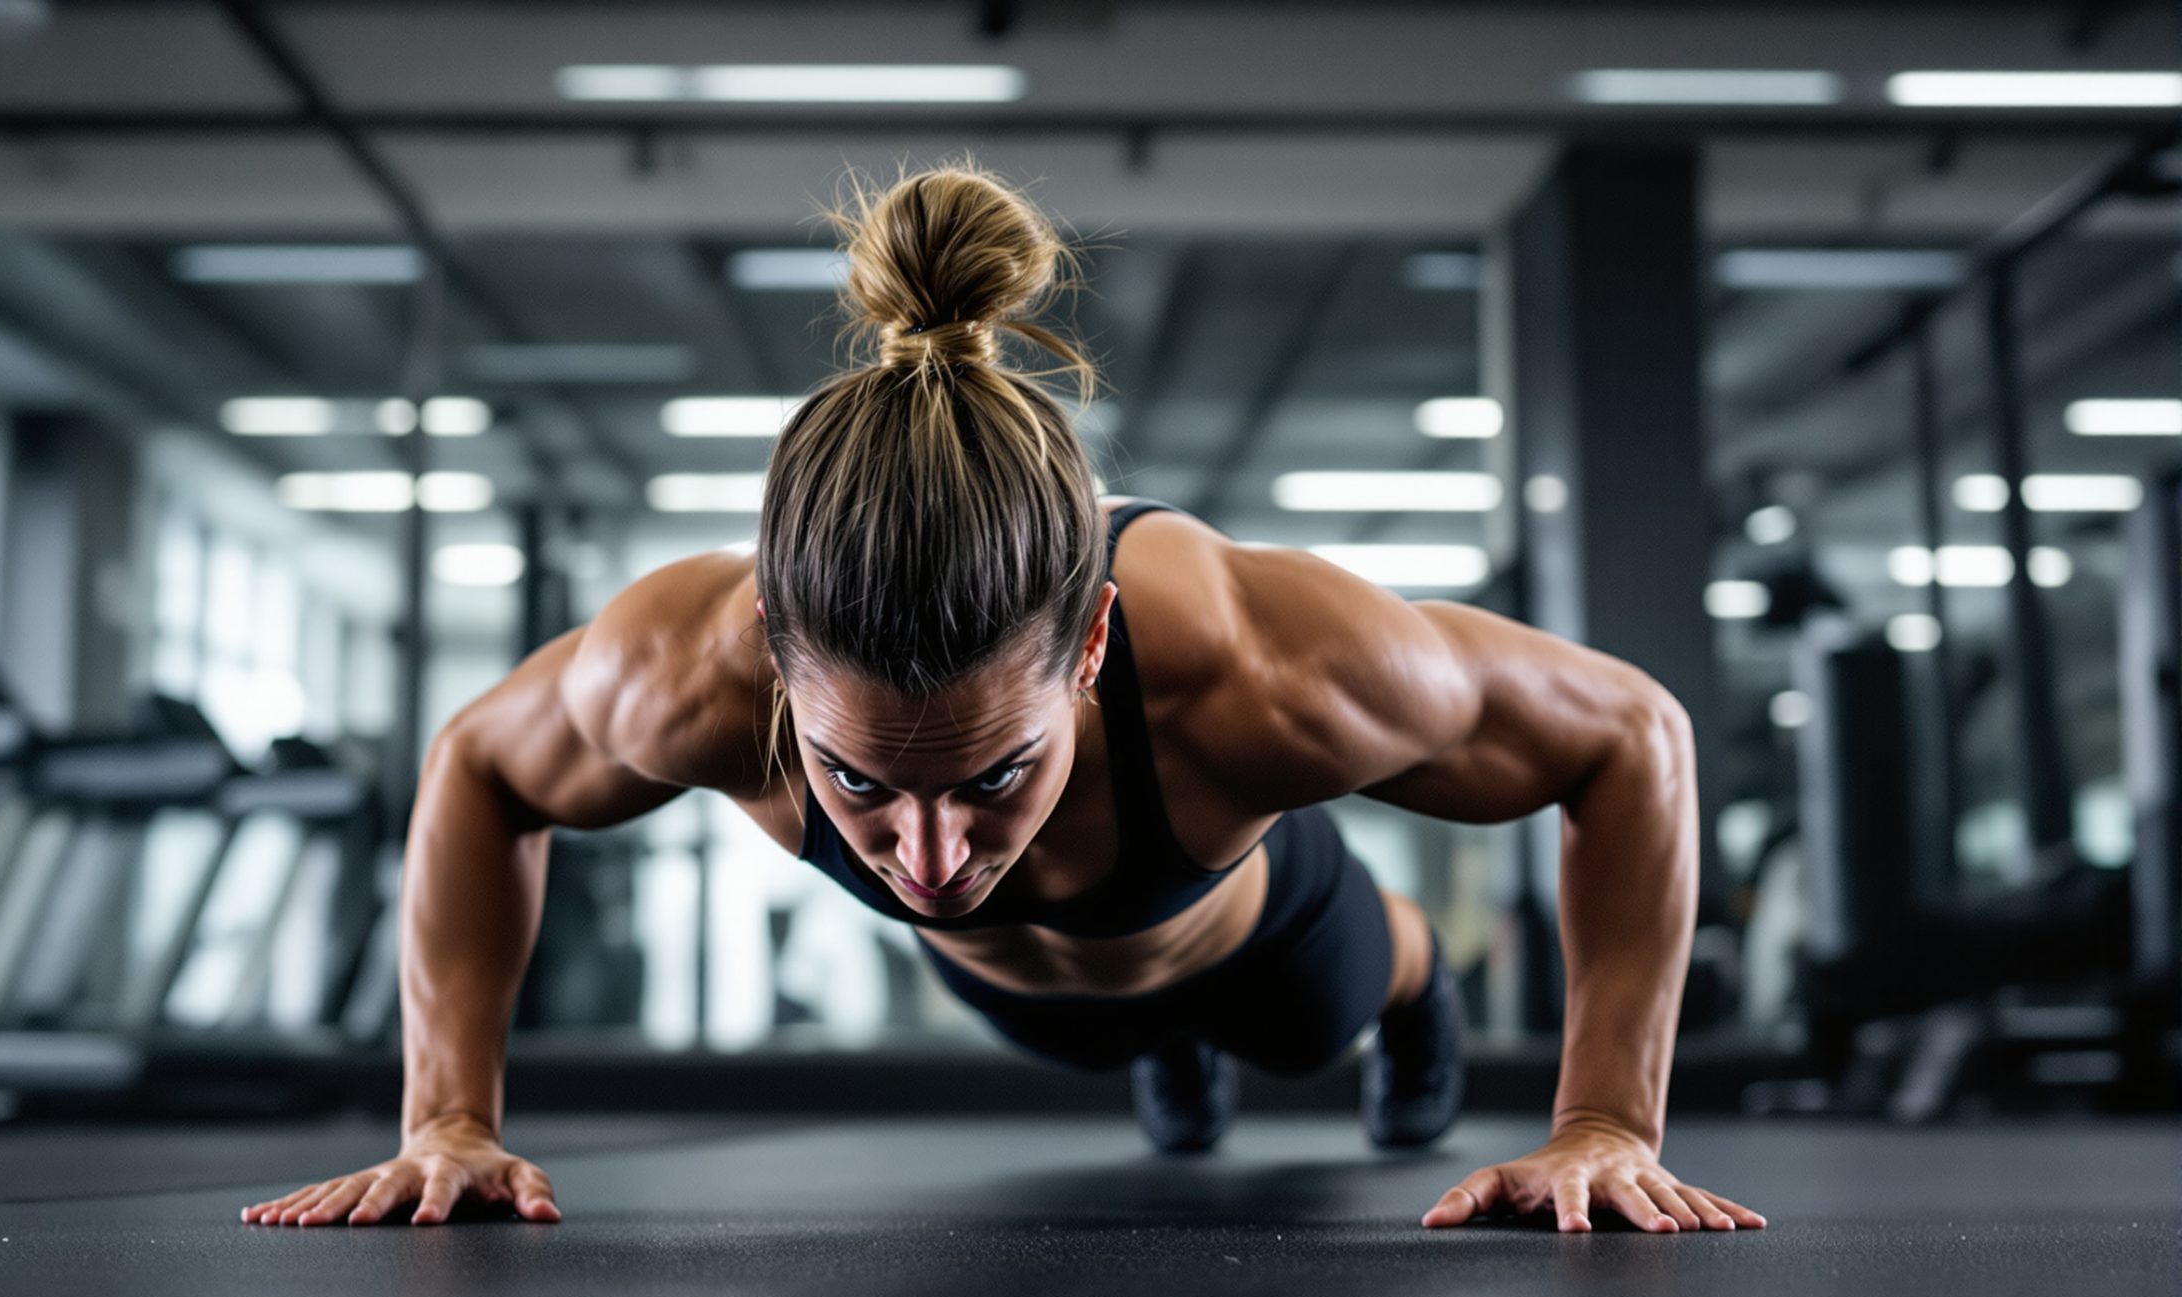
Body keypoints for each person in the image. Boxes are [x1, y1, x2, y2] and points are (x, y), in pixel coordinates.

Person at [243, 162, 1765, 1237]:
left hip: (1262, 931)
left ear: (1093, 644)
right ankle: (1155, 1045)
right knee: (1097, 1036)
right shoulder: (681, 669)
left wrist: (1603, 1122)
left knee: (1316, 1023)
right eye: (859, 783)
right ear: (775, 660)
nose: (919, 855)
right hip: (1025, 997)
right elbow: (477, 766)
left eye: (987, 778)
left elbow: (1630, 735)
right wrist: (446, 1115)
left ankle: (1410, 979)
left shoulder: (1267, 669)